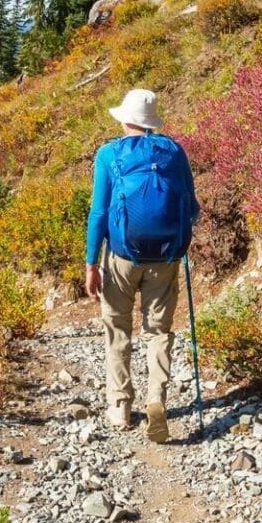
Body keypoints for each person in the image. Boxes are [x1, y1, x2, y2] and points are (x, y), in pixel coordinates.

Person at [85, 87, 199, 443]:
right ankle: (156, 399)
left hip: (121, 256)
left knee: (118, 329)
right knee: (158, 332)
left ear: (124, 119)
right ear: (152, 122)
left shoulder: (109, 154)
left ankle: (120, 407)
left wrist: (91, 262)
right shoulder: (173, 151)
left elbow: (100, 213)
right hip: (165, 256)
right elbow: (192, 206)